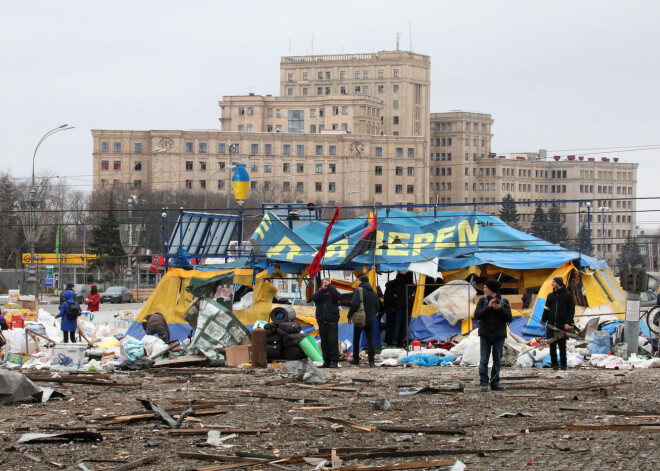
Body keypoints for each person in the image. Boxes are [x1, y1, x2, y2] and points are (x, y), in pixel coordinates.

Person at [474, 280, 512, 392]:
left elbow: (509, 318)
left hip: (499, 334)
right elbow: (478, 315)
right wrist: (488, 307)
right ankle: (484, 383)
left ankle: (495, 382)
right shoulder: (482, 300)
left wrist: (500, 309)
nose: (484, 289)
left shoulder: (504, 301)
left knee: (497, 360)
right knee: (484, 360)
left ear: (491, 289)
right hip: (485, 334)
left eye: (486, 287)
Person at [541, 277, 576, 370]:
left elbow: (571, 310)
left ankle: (563, 365)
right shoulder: (550, 296)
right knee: (552, 345)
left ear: (559, 283)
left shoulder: (568, 295)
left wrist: (568, 322)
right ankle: (554, 365)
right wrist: (543, 321)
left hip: (562, 325)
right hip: (551, 324)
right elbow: (546, 309)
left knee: (562, 346)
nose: (552, 283)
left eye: (554, 282)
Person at [347, 275, 380, 367]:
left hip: (360, 319)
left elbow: (354, 304)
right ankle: (372, 362)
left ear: (361, 282)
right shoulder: (374, 293)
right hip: (370, 319)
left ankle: (356, 360)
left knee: (356, 338)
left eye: (358, 281)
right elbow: (377, 308)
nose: (357, 283)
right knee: (370, 339)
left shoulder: (358, 290)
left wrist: (349, 315)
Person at [312, 278, 341, 368]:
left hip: (332, 321)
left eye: (327, 283)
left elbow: (337, 297)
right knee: (324, 342)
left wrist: (330, 286)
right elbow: (314, 298)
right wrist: (323, 289)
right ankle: (326, 361)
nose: (326, 284)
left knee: (332, 342)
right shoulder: (319, 292)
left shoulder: (333, 293)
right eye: (324, 283)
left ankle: (334, 361)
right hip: (322, 321)